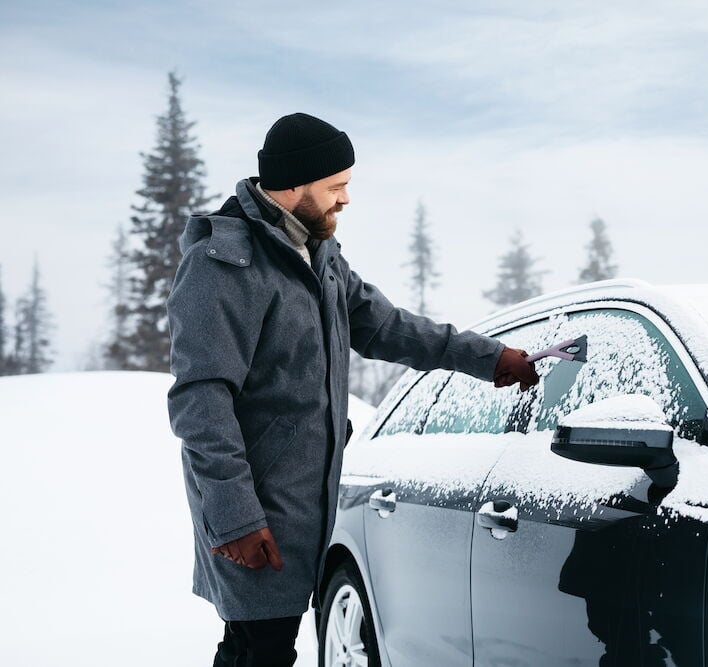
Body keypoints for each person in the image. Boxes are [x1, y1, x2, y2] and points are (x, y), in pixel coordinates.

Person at [166, 112, 540, 666]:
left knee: (263, 647)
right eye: (335, 187)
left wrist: (492, 359)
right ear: (293, 184)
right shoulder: (224, 266)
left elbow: (389, 327)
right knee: (258, 649)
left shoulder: (318, 255)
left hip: (305, 501)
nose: (345, 200)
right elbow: (201, 401)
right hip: (256, 505)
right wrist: (236, 517)